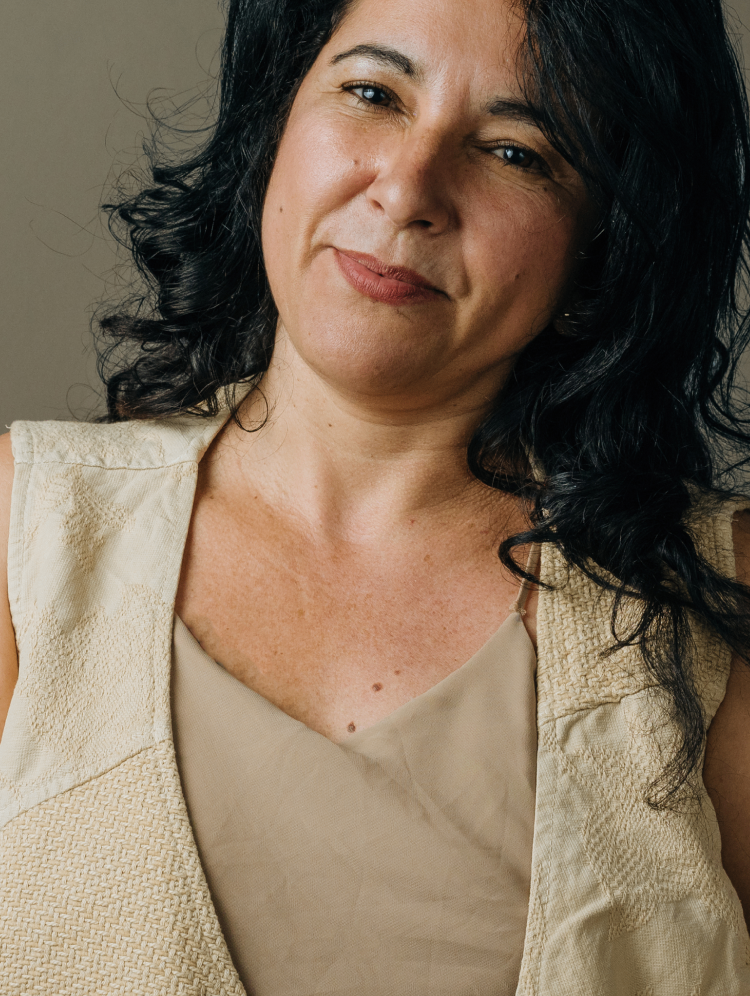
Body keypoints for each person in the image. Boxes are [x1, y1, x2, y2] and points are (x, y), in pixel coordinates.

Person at [1, 0, 749, 990]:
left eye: (517, 151)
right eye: (372, 94)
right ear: (276, 126)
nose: (407, 190)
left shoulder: (718, 605)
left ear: (600, 257)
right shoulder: (21, 534)